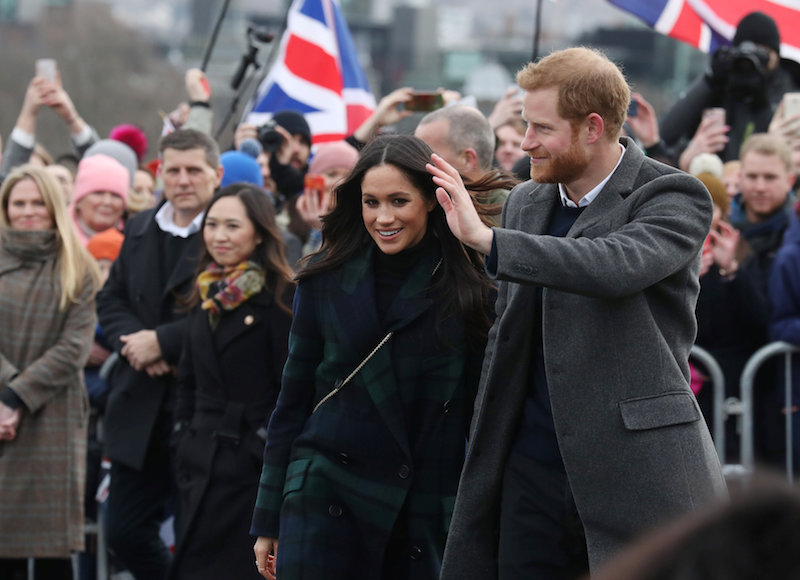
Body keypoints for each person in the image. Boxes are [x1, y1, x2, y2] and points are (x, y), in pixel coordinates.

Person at [426, 47, 726, 580]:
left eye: (541, 128)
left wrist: (487, 239)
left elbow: (611, 265)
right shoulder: (526, 201)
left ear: (592, 127)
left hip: (638, 476)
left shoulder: (673, 195)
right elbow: (508, 330)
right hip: (529, 472)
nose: (524, 143)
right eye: (523, 124)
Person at [251, 135, 494, 580]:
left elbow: (484, 416)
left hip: (421, 497)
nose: (383, 217)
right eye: (371, 202)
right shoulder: (322, 279)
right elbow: (292, 402)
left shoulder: (470, 291)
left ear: (432, 202)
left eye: (399, 201)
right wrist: (268, 517)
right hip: (323, 491)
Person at [96, 129, 223, 579]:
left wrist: (165, 343)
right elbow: (111, 300)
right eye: (173, 170)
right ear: (159, 174)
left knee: (199, 537)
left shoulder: (230, 229)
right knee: (125, 533)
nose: (183, 180)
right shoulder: (138, 227)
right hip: (139, 408)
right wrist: (137, 344)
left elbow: (235, 307)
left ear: (217, 174)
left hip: (202, 411)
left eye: (194, 170)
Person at [168, 185, 294, 580]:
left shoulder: (283, 297)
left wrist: (260, 445)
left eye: (232, 226)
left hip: (250, 470)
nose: (219, 235)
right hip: (199, 459)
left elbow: (289, 389)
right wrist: (183, 434)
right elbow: (187, 379)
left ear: (258, 233)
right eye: (212, 224)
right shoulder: (205, 289)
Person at [0, 165, 100, 579]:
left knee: (51, 547)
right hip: (1, 410)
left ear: (54, 206)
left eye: (37, 202)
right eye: (18, 203)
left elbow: (75, 347)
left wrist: (14, 398)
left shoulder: (78, 266)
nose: (28, 211)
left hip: (53, 414)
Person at [660, 11, 800, 164]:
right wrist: (710, 80)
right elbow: (665, 134)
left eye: (763, 53)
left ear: (777, 55)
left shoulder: (791, 89)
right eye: (748, 51)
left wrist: (762, 106)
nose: (753, 61)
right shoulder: (722, 83)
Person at [414, 105, 514, 226]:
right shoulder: (427, 202)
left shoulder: (514, 214)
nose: (416, 162)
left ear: (467, 159)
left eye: (426, 154)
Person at [70, 154, 129, 245]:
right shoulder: (58, 238)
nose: (107, 202)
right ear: (79, 201)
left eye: (115, 195)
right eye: (98, 193)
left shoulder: (133, 239)